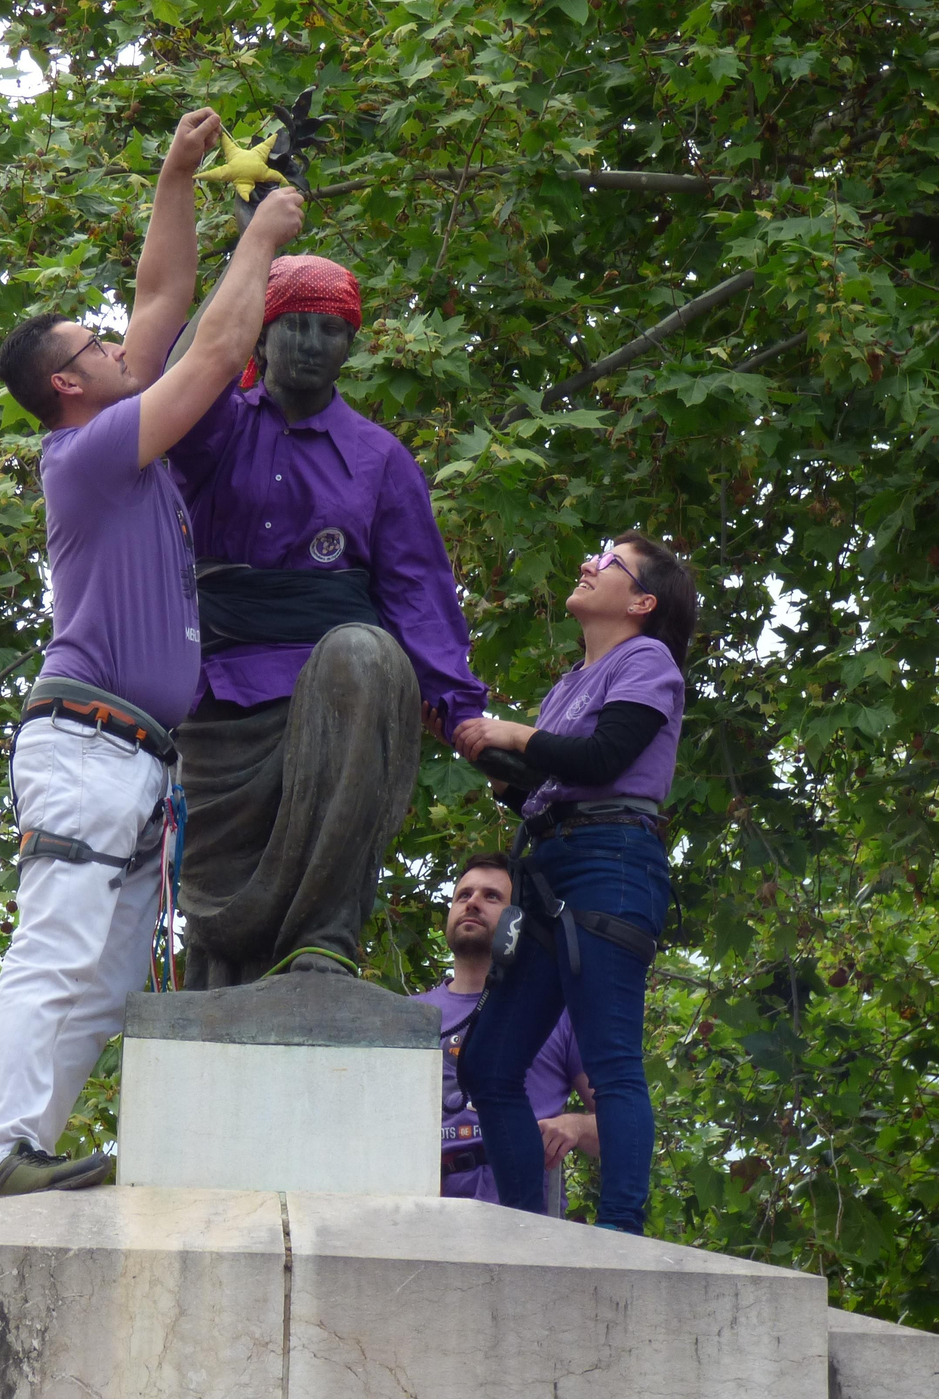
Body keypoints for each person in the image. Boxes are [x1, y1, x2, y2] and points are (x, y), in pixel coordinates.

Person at [0, 107, 306, 1200]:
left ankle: (27, 1160)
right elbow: (212, 350)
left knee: (107, 979)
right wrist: (264, 234)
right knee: (59, 950)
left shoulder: (114, 425)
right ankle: (0, 1152)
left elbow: (161, 302)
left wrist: (177, 174)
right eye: (93, 349)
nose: (115, 348)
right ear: (67, 386)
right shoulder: (93, 449)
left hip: (134, 757)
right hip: (86, 746)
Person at [162, 253, 489, 988]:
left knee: (364, 655)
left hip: (332, 695)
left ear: (351, 346)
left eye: (329, 330)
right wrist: (247, 256)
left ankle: (325, 937)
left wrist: (459, 707)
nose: (311, 344)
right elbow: (181, 374)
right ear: (261, 334)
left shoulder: (380, 458)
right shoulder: (213, 426)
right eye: (294, 326)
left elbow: (419, 592)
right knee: (221, 941)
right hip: (216, 691)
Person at [451, 532, 697, 1232]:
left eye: (609, 562)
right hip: (551, 868)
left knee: (611, 1057)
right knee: (491, 1065)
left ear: (643, 601)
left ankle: (622, 1231)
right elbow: (544, 779)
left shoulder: (647, 659)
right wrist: (477, 747)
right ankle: (528, 1227)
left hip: (611, 864)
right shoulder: (567, 686)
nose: (589, 564)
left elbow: (602, 757)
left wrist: (511, 733)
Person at [416, 851, 597, 1215]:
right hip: (424, 1213)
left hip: (523, 1212)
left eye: (492, 896)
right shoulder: (408, 1016)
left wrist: (575, 1125)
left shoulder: (555, 1012)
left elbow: (620, 1123)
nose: (473, 904)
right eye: (462, 896)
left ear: (520, 921)